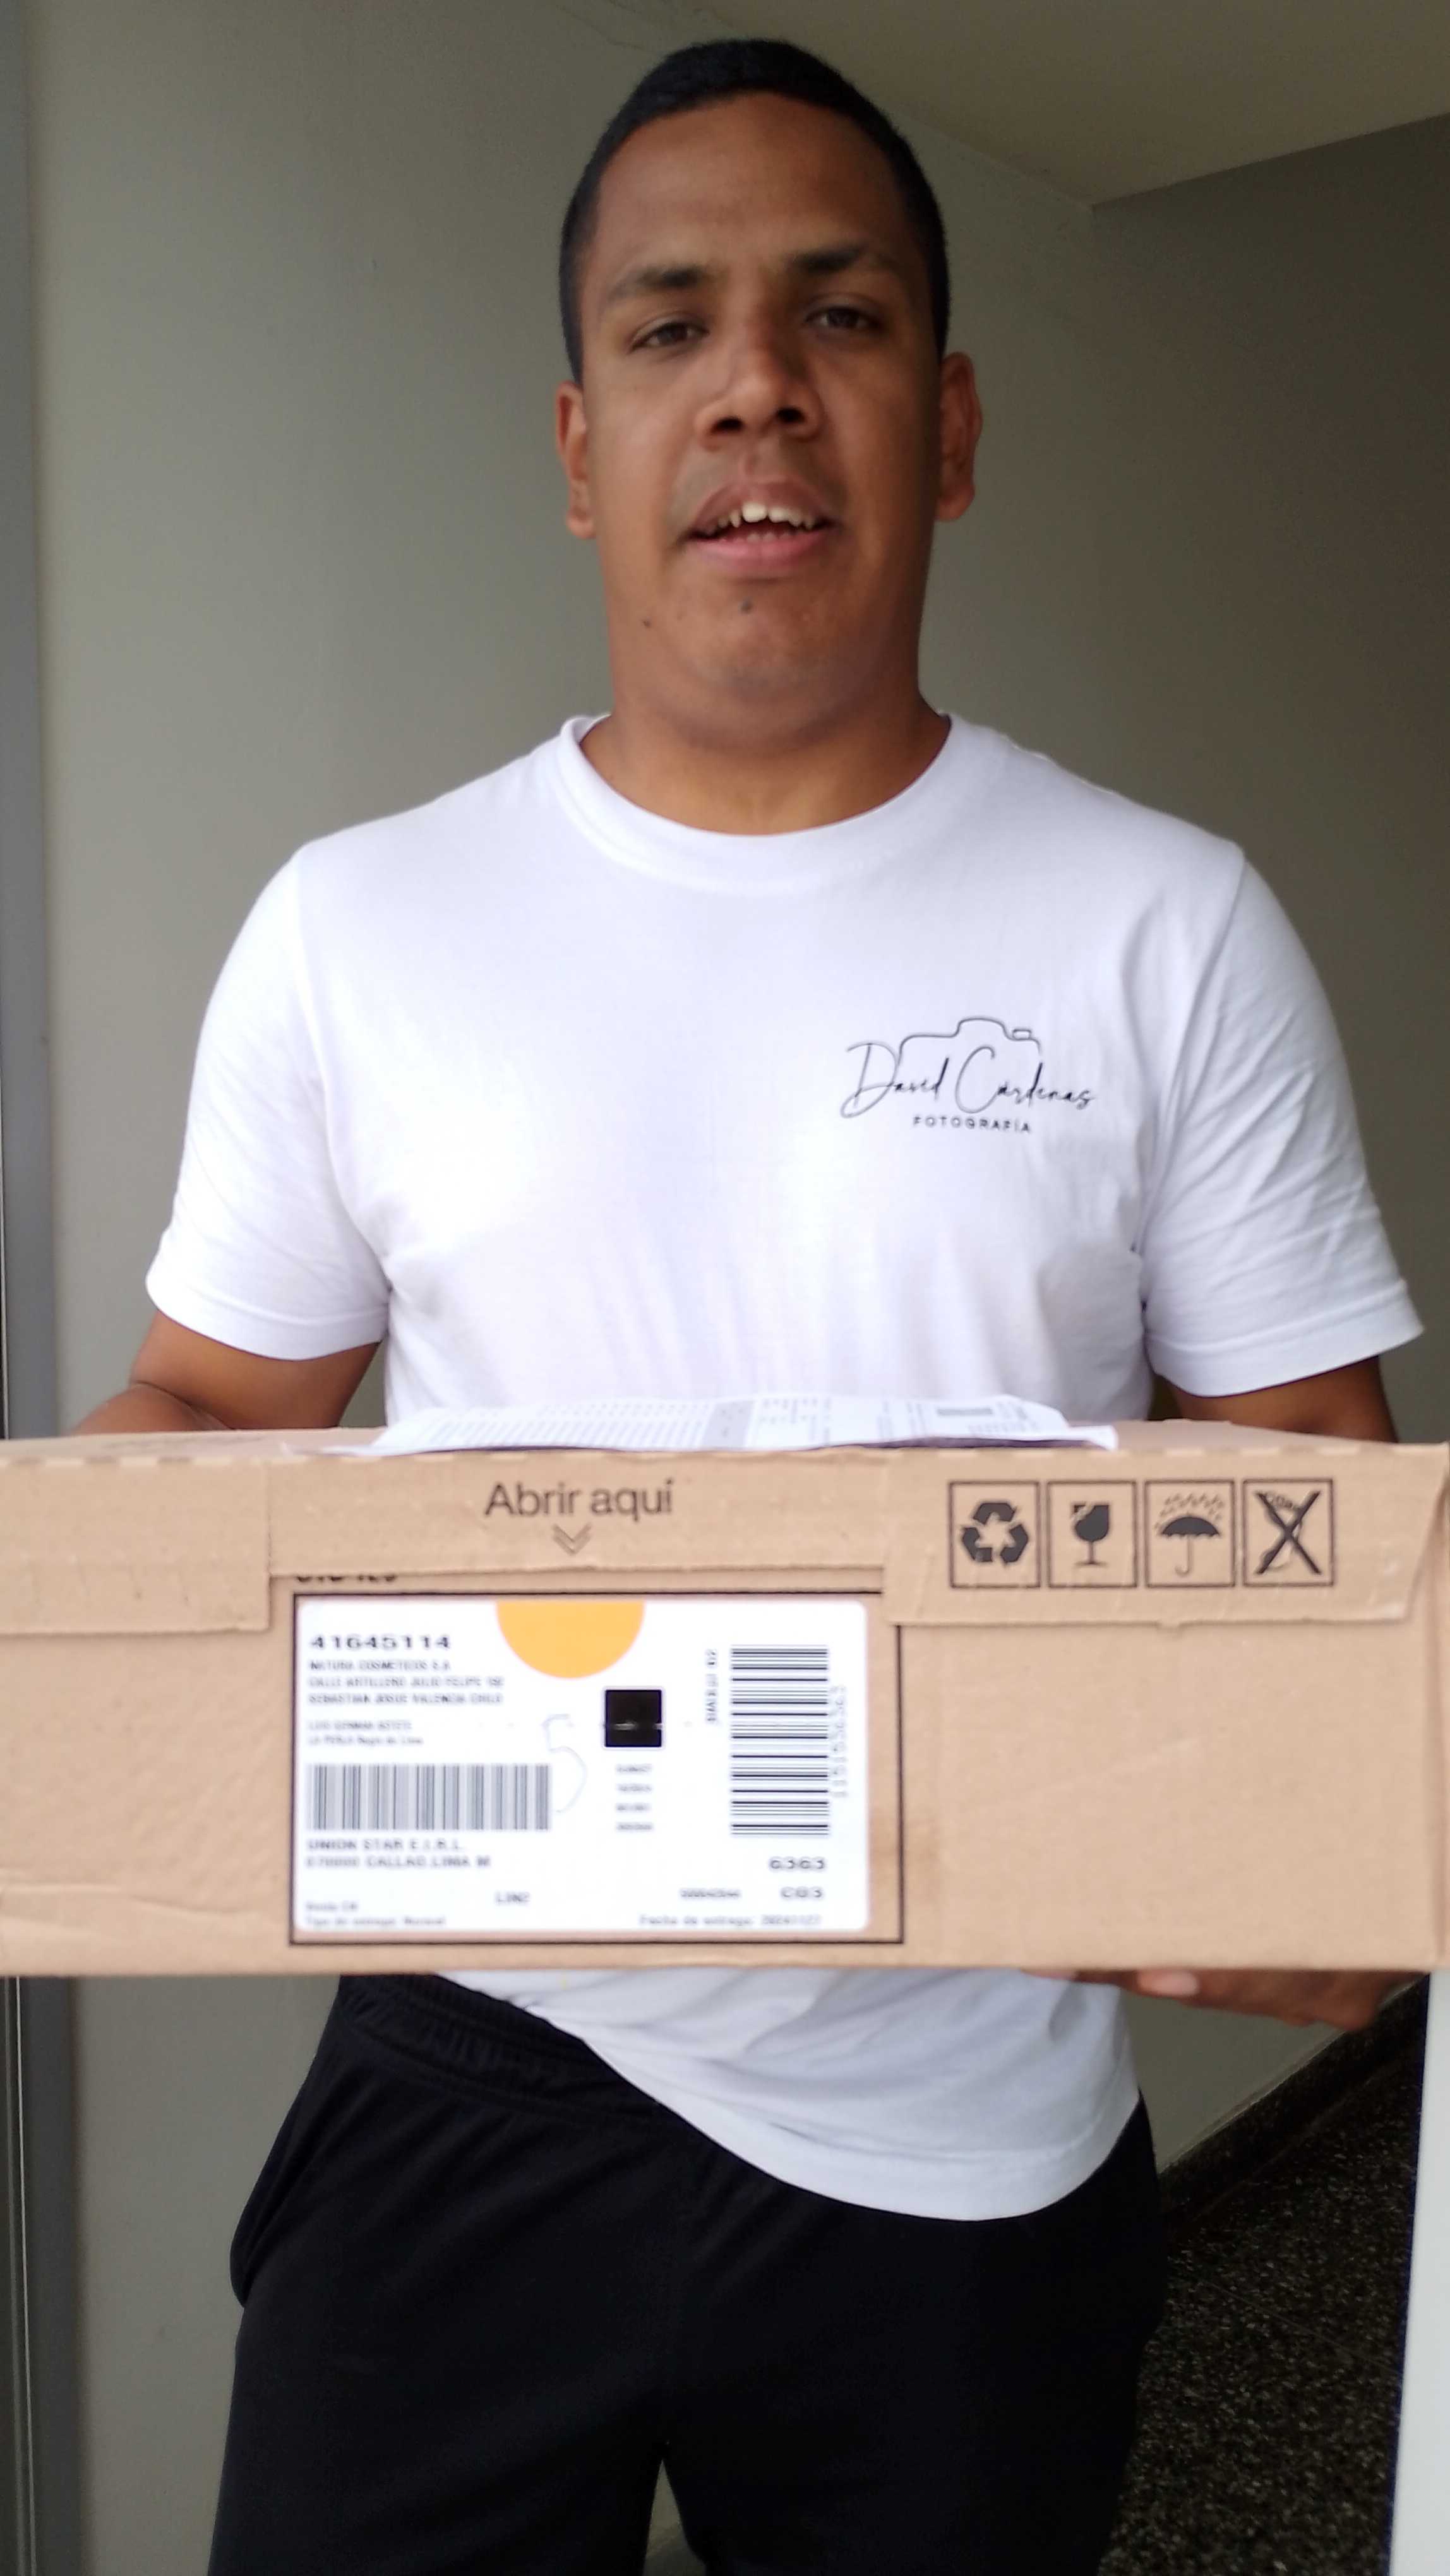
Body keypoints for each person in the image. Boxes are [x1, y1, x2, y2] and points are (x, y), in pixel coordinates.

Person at [78, 38, 1420, 2576]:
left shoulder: (1166, 925)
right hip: (478, 2056)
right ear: (580, 445)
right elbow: (214, 1403)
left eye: (843, 314)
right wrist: (84, 1598)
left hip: (968, 2133)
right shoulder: (360, 928)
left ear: (953, 422)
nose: (759, 385)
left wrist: (1317, 1819)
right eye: (672, 323)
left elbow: (1306, 1499)